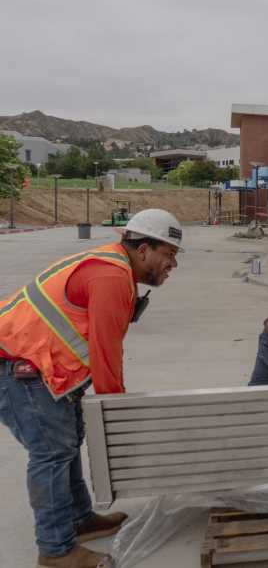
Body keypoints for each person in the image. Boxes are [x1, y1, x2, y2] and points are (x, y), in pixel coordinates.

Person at [0, 208, 183, 568]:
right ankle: (55, 550)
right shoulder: (112, 277)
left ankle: (80, 519)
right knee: (52, 452)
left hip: (42, 367)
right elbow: (105, 351)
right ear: (143, 249)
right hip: (18, 366)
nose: (172, 265)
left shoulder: (112, 266)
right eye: (169, 254)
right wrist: (116, 412)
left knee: (66, 442)